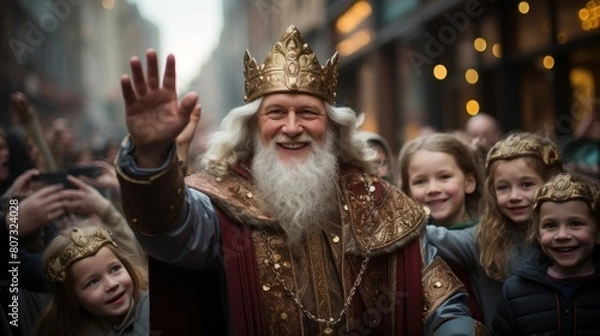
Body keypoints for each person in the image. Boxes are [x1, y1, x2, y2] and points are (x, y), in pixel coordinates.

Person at [115, 25, 486, 335]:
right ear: (251, 127)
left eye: (307, 112)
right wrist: (150, 156)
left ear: (332, 127)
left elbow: (441, 302)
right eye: (276, 112)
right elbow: (169, 233)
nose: (292, 128)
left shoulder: (379, 202)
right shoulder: (222, 199)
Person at [426, 132, 564, 328]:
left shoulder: (574, 237)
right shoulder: (482, 239)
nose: (514, 196)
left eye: (526, 185)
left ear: (552, 184)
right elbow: (432, 236)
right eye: (503, 187)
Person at [492, 173, 600, 335]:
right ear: (537, 233)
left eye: (575, 224)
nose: (562, 235)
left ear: (597, 230)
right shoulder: (515, 291)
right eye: (550, 225)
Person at [398, 132, 484, 321]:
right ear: (407, 192)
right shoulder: (404, 249)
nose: (433, 189)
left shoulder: (488, 233)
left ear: (469, 182)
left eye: (444, 177)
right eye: (420, 181)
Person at [35, 224, 148, 336]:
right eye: (93, 282)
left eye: (114, 269)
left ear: (126, 266)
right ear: (72, 298)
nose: (112, 284)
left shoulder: (157, 312)